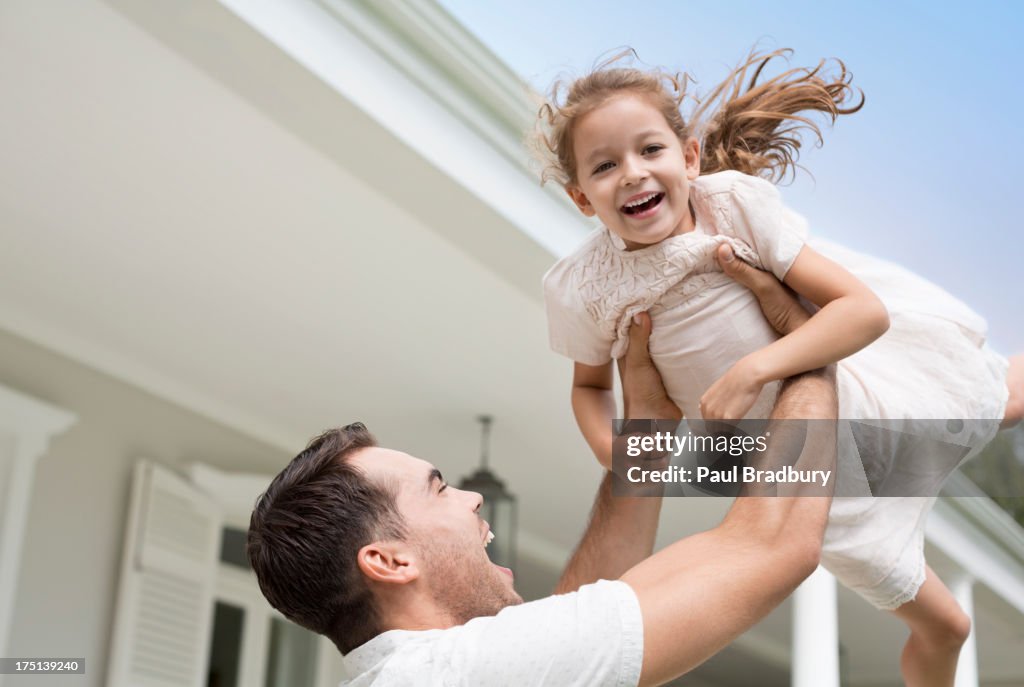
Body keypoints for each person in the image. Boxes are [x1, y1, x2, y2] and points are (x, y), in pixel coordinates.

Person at [537, 48, 1023, 686]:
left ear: (688, 157)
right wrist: (621, 454)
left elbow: (862, 312)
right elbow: (591, 387)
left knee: (1004, 398)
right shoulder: (583, 285)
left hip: (851, 396)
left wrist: (756, 371)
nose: (631, 173)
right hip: (797, 490)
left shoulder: (731, 207)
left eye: (649, 150)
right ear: (580, 197)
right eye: (604, 165)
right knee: (948, 626)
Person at [247, 259, 838, 687]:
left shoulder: (425, 673)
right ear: (392, 561)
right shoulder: (456, 675)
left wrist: (649, 437)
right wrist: (809, 341)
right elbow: (772, 543)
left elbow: (575, 624)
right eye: (440, 488)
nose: (473, 497)